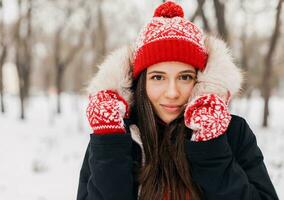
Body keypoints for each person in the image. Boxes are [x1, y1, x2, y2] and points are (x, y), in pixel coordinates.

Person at [76, 1, 278, 200]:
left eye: (185, 77)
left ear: (200, 80)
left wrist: (211, 148)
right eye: (158, 77)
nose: (172, 93)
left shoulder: (233, 132)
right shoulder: (116, 135)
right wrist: (109, 144)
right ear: (141, 82)